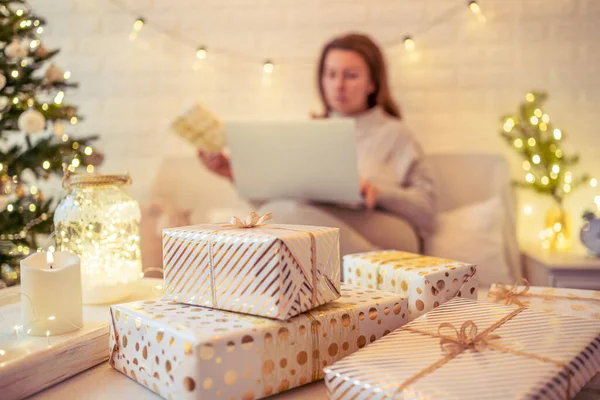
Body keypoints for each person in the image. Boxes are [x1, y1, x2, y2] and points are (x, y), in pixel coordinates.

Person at [199, 33, 436, 256]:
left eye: (350, 75)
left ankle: (374, 268)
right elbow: (280, 204)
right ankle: (356, 274)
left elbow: (427, 211)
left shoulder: (395, 134)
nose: (338, 85)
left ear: (372, 83)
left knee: (284, 217)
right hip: (316, 226)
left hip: (387, 232)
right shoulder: (310, 133)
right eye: (330, 75)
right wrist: (233, 174)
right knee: (278, 214)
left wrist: (378, 192)